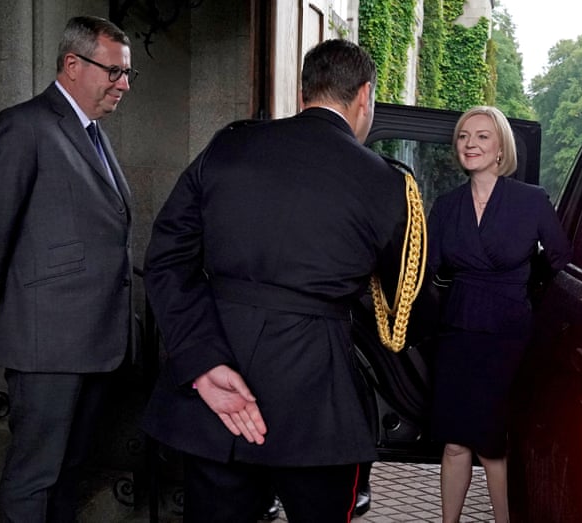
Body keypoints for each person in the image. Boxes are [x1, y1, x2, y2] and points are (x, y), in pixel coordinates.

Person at [142, 39, 409, 523]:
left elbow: (165, 260)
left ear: (302, 90)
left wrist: (202, 363)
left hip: (215, 392)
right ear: (364, 95)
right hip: (318, 402)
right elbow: (402, 302)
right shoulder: (387, 182)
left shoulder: (229, 144)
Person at [0, 15, 136, 522]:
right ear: (73, 64)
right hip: (47, 342)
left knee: (71, 469)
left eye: (127, 74)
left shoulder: (93, 133)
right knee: (34, 475)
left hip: (95, 339)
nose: (123, 85)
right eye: (114, 72)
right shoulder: (23, 125)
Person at [427, 106, 571, 523]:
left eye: (482, 136)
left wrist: (529, 294)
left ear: (500, 148)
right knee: (454, 443)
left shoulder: (532, 201)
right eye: (463, 136)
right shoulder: (447, 205)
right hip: (457, 331)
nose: (470, 143)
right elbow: (428, 269)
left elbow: (561, 261)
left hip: (508, 335)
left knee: (492, 444)